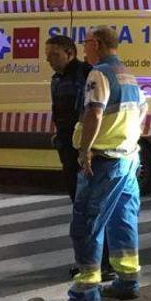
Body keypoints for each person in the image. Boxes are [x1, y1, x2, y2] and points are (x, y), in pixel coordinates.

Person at [48, 26, 147, 301]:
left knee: (86, 224)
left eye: (87, 42)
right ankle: (128, 281)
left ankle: (85, 294)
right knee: (122, 220)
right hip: (127, 158)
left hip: (104, 160)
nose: (85, 47)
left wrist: (84, 150)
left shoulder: (99, 73)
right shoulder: (128, 75)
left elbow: (94, 112)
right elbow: (142, 112)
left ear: (99, 44)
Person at [45, 35, 115, 282]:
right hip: (68, 148)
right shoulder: (57, 79)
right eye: (47, 55)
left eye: (54, 55)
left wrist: (85, 150)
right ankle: (90, 260)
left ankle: (102, 263)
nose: (49, 60)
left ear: (70, 52)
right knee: (80, 207)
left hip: (82, 152)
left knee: (91, 210)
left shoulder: (86, 74)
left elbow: (90, 113)